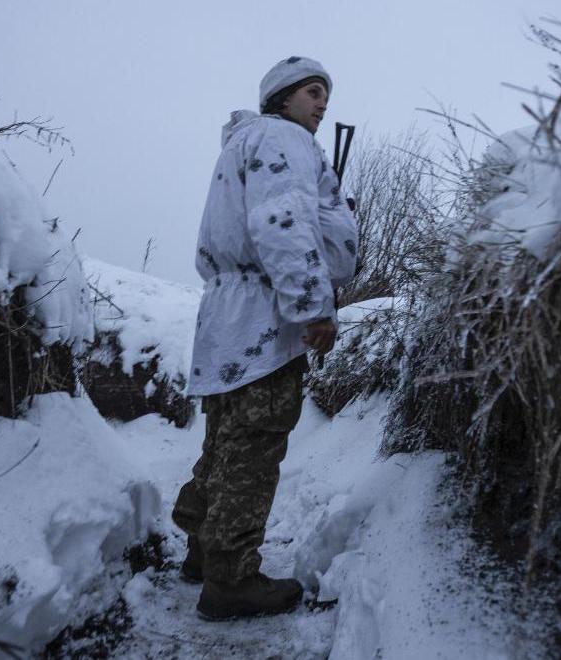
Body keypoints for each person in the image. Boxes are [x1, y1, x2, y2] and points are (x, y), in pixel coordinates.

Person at [172, 56, 359, 621]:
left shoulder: (245, 143)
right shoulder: (282, 138)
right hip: (266, 315)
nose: (322, 103)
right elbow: (282, 221)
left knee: (227, 440)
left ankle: (202, 552)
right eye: (311, 92)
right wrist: (313, 307)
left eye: (325, 93)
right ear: (281, 99)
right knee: (254, 447)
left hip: (228, 316)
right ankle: (230, 581)